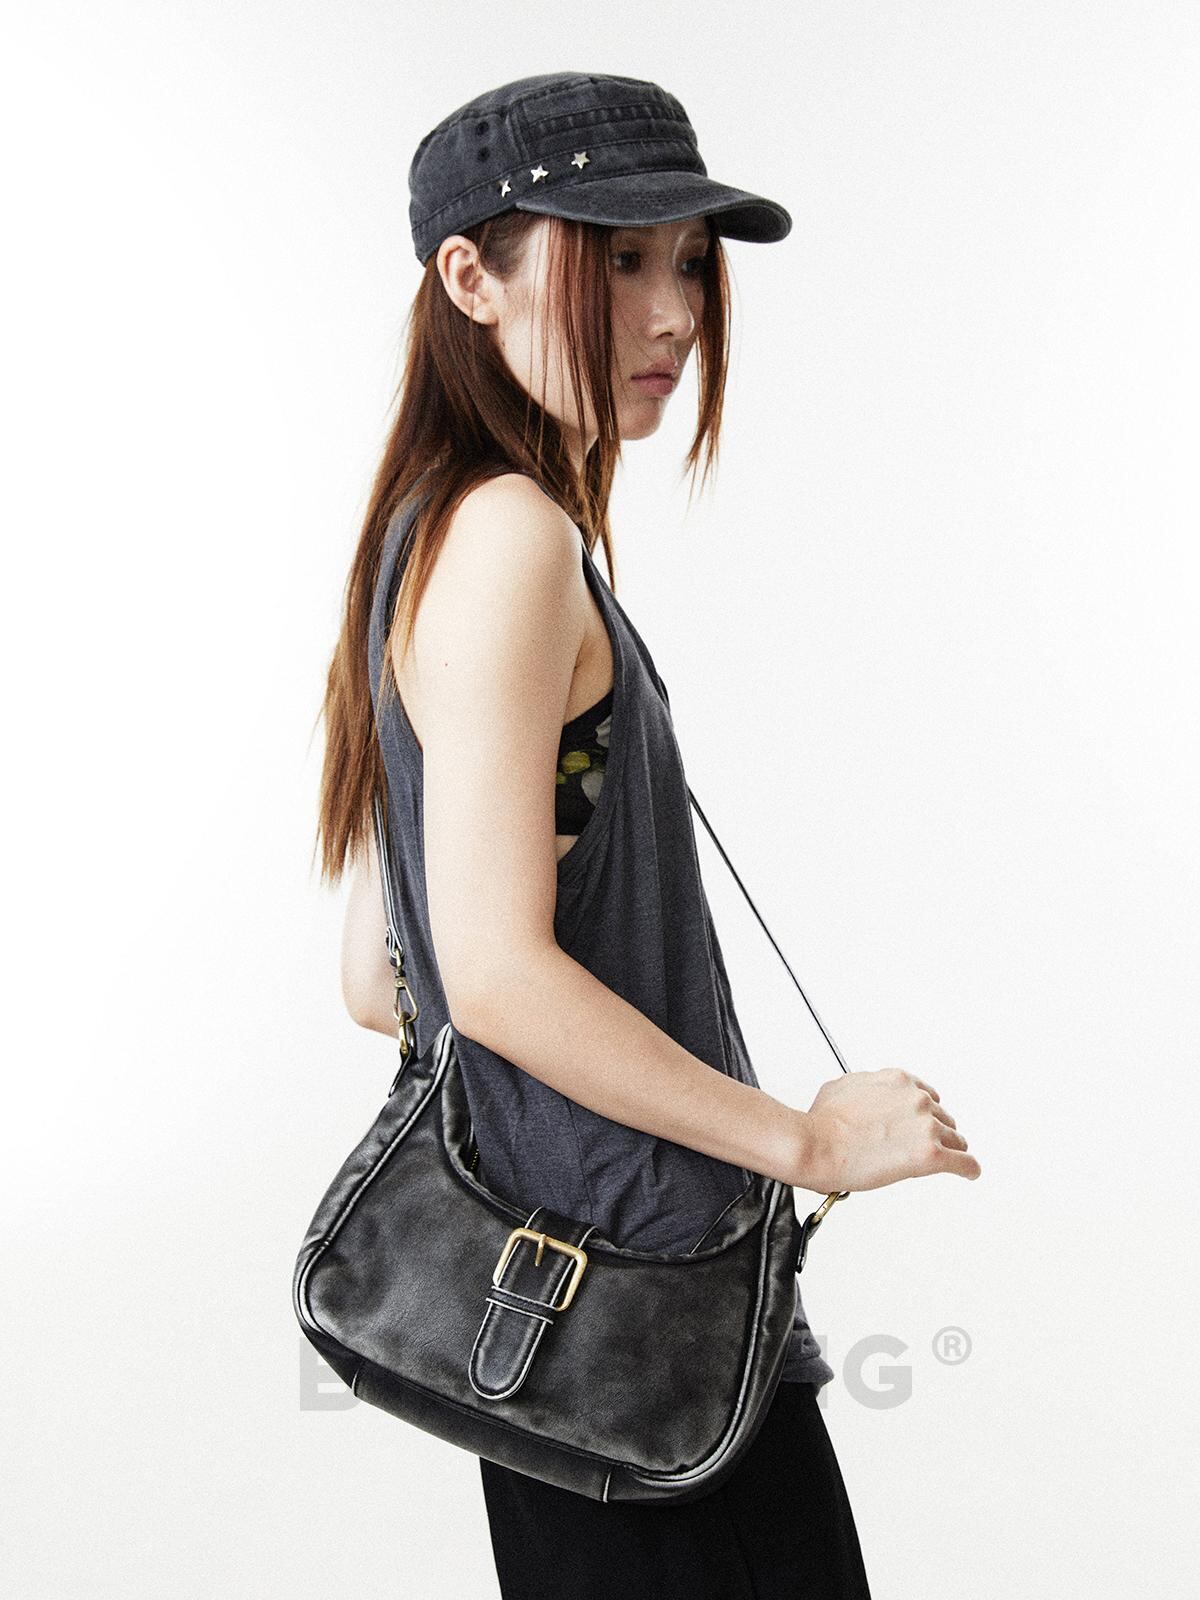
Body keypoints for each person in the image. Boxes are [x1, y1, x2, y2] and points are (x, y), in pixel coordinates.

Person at [318, 70, 981, 1600]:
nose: (675, 311)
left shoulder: (424, 535)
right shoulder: (510, 538)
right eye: (617, 259)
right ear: (470, 277)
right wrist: (808, 1141)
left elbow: (380, 973)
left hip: (562, 1324)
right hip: (645, 1297)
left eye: (687, 260)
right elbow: (488, 973)